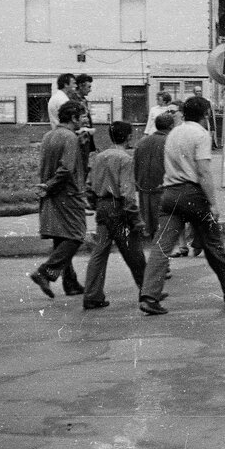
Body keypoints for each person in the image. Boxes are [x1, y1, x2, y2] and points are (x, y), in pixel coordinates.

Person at [138, 97, 225, 316]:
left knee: (161, 246)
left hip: (169, 194)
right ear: (206, 115)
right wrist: (213, 203)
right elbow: (204, 172)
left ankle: (149, 296)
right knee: (213, 243)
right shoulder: (201, 134)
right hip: (193, 194)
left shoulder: (173, 133)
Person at [81, 121, 146, 310]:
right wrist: (135, 218)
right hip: (118, 209)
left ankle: (92, 295)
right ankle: (148, 291)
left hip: (102, 206)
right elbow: (127, 192)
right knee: (134, 252)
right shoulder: (125, 159)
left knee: (99, 253)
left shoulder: (99, 157)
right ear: (128, 137)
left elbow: (90, 185)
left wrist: (95, 204)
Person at [28, 100, 88, 299]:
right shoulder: (70, 137)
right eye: (83, 116)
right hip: (67, 194)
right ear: (73, 118)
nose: (85, 120)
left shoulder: (49, 135)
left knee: (61, 238)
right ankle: (45, 272)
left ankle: (70, 283)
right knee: (76, 235)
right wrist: (51, 185)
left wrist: (46, 186)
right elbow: (66, 169)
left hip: (51, 195)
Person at [135, 111, 173, 244]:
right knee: (162, 219)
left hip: (143, 186)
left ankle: (153, 242)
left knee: (147, 218)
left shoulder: (142, 142)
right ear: (170, 126)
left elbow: (135, 164)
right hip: (162, 187)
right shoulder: (169, 141)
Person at [72, 73, 97, 175]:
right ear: (81, 86)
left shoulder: (83, 100)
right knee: (79, 166)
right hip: (79, 137)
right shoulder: (73, 100)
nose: (90, 90)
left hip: (86, 137)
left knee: (84, 165)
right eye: (88, 87)